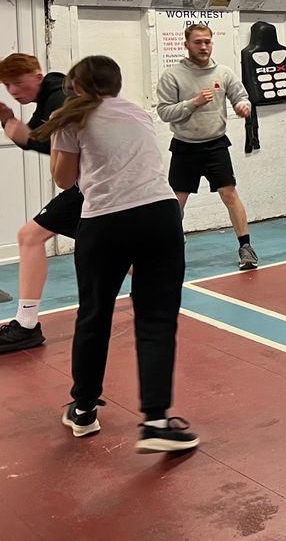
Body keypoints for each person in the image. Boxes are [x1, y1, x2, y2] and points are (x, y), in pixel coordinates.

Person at [31, 55, 199, 451]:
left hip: (104, 222)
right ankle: (157, 421)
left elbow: (65, 180)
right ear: (117, 85)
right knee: (157, 319)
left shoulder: (69, 117)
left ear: (76, 86)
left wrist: (58, 137)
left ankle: (84, 410)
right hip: (161, 216)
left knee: (94, 315)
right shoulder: (138, 112)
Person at [0, 54, 84, 354]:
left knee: (29, 236)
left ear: (37, 75)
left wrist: (11, 123)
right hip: (95, 185)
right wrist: (9, 121)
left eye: (18, 83)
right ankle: (159, 292)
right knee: (101, 245)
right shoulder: (52, 94)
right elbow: (39, 140)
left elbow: (52, 144)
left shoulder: (58, 96)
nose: (13, 90)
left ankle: (26, 325)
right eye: (8, 86)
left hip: (91, 185)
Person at [155, 24, 257, 269]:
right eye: (198, 42)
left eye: (207, 42)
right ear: (187, 44)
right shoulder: (172, 75)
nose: (203, 47)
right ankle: (170, 248)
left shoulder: (223, 73)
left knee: (229, 194)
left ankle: (246, 247)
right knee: (175, 203)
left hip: (215, 146)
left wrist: (244, 106)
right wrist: (193, 103)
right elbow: (164, 112)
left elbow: (241, 96)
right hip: (184, 147)